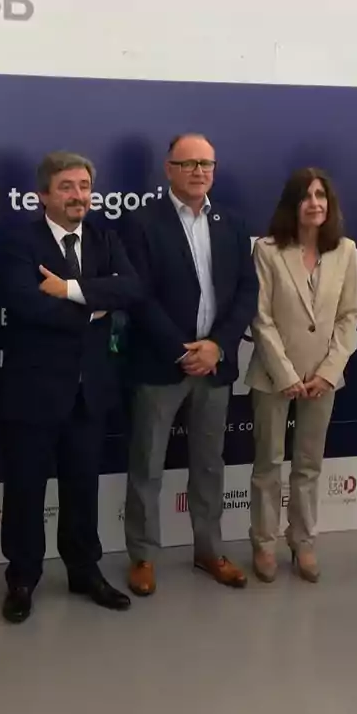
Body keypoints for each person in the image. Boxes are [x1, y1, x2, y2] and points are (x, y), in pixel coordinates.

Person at [0, 151, 141, 624]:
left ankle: (84, 570)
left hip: (90, 391)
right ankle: (22, 578)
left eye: (84, 186)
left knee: (82, 488)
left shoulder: (104, 237)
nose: (78, 195)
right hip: (33, 391)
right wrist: (95, 307)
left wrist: (70, 290)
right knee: (25, 490)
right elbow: (25, 306)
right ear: (44, 194)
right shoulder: (21, 240)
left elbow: (131, 290)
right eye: (67, 187)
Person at [120, 133, 257, 596]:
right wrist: (182, 350)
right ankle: (142, 556)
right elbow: (138, 296)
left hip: (215, 365)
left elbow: (245, 292)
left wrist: (217, 345)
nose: (200, 171)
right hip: (161, 365)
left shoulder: (233, 224)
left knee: (209, 465)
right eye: (189, 163)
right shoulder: (140, 223)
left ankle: (208, 550)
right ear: (169, 169)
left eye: (207, 163)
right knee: (147, 467)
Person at [247, 168, 357, 583]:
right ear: (291, 204)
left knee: (309, 464)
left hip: (323, 378)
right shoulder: (267, 250)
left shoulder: (346, 251)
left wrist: (329, 371)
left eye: (321, 195)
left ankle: (303, 542)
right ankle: (263, 542)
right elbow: (260, 318)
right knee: (268, 463)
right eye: (306, 196)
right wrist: (286, 374)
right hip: (273, 374)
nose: (314, 203)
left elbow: (350, 316)